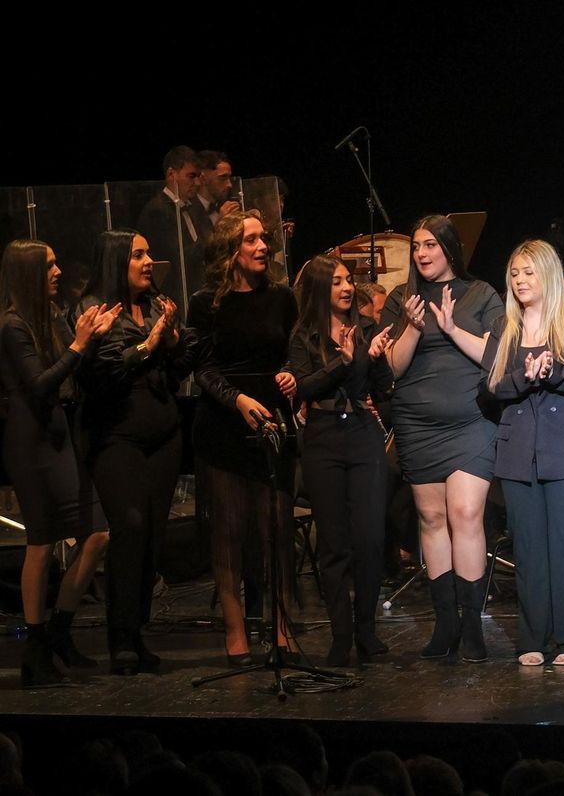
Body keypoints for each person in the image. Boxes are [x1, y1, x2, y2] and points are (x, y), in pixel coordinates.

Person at [381, 214, 505, 661]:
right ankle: (445, 624)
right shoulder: (401, 298)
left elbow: (495, 355)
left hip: (471, 421)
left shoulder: (481, 294)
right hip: (417, 423)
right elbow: (392, 368)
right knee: (432, 520)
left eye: (431, 245)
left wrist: (453, 329)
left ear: (450, 248)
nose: (422, 253)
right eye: (417, 246)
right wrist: (413, 327)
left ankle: (472, 626)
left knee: (466, 512)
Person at [476, 240, 564, 666]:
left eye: (528, 272)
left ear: (547, 274)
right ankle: (533, 638)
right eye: (514, 273)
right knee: (528, 550)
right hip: (518, 454)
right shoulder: (503, 326)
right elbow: (490, 387)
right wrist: (526, 378)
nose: (519, 280)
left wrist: (555, 372)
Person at [77, 229, 196, 674]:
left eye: (149, 253)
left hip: (163, 437)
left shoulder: (154, 306)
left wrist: (174, 342)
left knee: (153, 536)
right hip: (116, 439)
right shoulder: (95, 310)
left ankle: (137, 632)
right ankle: (119, 637)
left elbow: (178, 373)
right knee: (129, 526)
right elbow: (109, 370)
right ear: (115, 262)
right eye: (139, 255)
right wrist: (149, 345)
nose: (150, 262)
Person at [1, 240, 119, 686]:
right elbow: (39, 386)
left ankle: (59, 632)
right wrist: (79, 343)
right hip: (29, 441)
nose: (57, 270)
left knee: (97, 533)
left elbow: (62, 375)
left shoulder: (44, 318)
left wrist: (88, 344)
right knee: (42, 541)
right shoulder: (12, 325)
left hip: (55, 436)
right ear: (29, 273)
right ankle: (35, 649)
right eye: (48, 265)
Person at [188, 211, 300, 666]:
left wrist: (293, 376)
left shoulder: (282, 298)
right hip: (224, 426)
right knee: (229, 533)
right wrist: (237, 401)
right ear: (231, 249)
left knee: (275, 530)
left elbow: (293, 350)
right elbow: (203, 367)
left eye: (264, 238)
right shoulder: (205, 303)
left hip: (273, 423)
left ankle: (280, 628)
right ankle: (236, 631)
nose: (262, 246)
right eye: (251, 239)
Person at [288, 255, 396, 667]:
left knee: (369, 540)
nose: (347, 288)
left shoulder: (367, 328)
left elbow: (383, 390)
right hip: (323, 437)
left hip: (363, 436)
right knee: (334, 544)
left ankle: (367, 631)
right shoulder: (304, 334)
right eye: (336, 282)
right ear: (320, 289)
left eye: (349, 280)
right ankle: (341, 635)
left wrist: (377, 358)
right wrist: (346, 361)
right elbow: (304, 386)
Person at [134, 146, 208, 312]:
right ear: (171, 175)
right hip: (174, 299)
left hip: (194, 293)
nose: (196, 183)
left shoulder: (194, 207)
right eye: (191, 176)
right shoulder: (157, 210)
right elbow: (177, 261)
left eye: (198, 177)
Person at [195, 150, 243, 227]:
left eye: (229, 178)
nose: (229, 185)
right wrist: (220, 224)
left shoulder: (224, 206)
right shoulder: (189, 211)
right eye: (223, 178)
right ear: (203, 178)